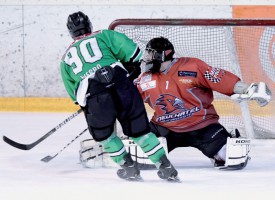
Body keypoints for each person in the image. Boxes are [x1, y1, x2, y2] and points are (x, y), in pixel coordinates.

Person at [60, 12, 180, 181]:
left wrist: (90, 105)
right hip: (122, 85)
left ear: (70, 32)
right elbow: (135, 55)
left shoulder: (65, 60)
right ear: (89, 25)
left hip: (95, 95)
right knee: (140, 131)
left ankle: (129, 168)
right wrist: (129, 70)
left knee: (106, 137)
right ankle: (165, 166)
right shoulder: (105, 35)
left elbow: (76, 96)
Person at [136, 37, 272, 170]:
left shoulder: (193, 66)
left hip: (202, 126)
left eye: (151, 53)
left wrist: (248, 89)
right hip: (164, 127)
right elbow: (129, 98)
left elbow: (220, 78)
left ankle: (223, 142)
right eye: (147, 53)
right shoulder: (145, 77)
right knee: (140, 156)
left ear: (163, 55)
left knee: (231, 156)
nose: (147, 58)